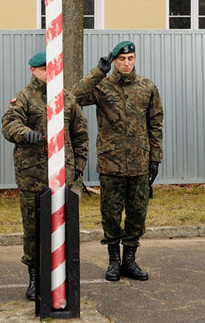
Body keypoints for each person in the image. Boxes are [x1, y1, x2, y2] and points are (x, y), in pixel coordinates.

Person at [72, 40, 163, 282]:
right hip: (111, 162)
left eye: (130, 58)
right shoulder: (102, 86)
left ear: (135, 59)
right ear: (114, 61)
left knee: (137, 213)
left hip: (140, 162)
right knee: (111, 214)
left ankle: (129, 260)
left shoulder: (147, 87)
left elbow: (155, 124)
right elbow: (73, 97)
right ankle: (113, 260)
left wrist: (156, 158)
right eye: (121, 59)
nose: (126, 63)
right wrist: (98, 72)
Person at [1, 51, 88, 301]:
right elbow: (9, 124)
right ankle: (35, 277)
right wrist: (24, 132)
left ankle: (62, 276)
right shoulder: (24, 97)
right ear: (33, 70)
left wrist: (78, 165)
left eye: (52, 70)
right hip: (33, 175)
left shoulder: (68, 99)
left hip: (64, 175)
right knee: (34, 228)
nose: (49, 74)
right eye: (44, 70)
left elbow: (80, 135)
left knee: (63, 225)